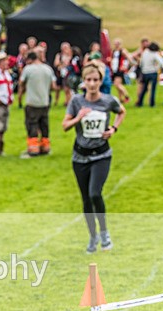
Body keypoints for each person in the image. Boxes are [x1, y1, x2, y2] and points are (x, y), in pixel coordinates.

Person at [62, 63, 125, 254]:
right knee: (86, 200)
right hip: (80, 157)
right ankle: (92, 236)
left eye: (95, 80)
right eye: (88, 80)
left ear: (100, 81)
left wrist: (113, 129)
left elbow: (121, 111)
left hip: (101, 155)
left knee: (95, 193)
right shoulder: (76, 102)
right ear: (84, 81)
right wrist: (78, 117)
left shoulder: (107, 100)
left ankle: (104, 232)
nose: (92, 84)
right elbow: (65, 126)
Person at [18, 51, 56, 158]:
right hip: (45, 102)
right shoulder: (48, 69)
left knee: (32, 124)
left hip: (32, 102)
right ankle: (45, 148)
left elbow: (21, 83)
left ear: (30, 60)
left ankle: (33, 149)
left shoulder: (28, 69)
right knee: (44, 125)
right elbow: (53, 86)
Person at [136, 42, 162, 108]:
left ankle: (140, 102)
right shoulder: (154, 54)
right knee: (153, 89)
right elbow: (161, 62)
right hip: (153, 72)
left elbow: (141, 63)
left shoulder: (145, 52)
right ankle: (152, 103)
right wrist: (156, 68)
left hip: (145, 72)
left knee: (144, 88)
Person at [108, 39, 132, 103]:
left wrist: (126, 67)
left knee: (117, 84)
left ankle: (127, 96)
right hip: (114, 69)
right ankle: (120, 99)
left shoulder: (122, 51)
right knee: (118, 85)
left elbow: (129, 59)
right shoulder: (113, 51)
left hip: (120, 70)